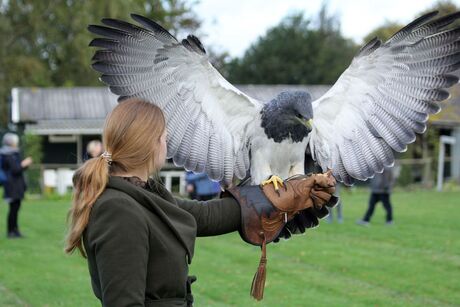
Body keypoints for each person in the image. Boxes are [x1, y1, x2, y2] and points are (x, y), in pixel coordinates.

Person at [65, 98, 336, 305]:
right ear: (151, 145)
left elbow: (204, 216)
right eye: (164, 137)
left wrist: (284, 195)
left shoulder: (145, 194)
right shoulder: (118, 210)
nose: (167, 143)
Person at [0, 132, 33, 238]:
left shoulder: (13, 153)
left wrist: (23, 165)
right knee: (13, 209)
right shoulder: (8, 155)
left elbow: (18, 169)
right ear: (11, 142)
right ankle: (11, 232)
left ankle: (15, 230)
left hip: (15, 186)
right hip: (12, 186)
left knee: (15, 208)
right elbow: (15, 170)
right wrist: (24, 163)